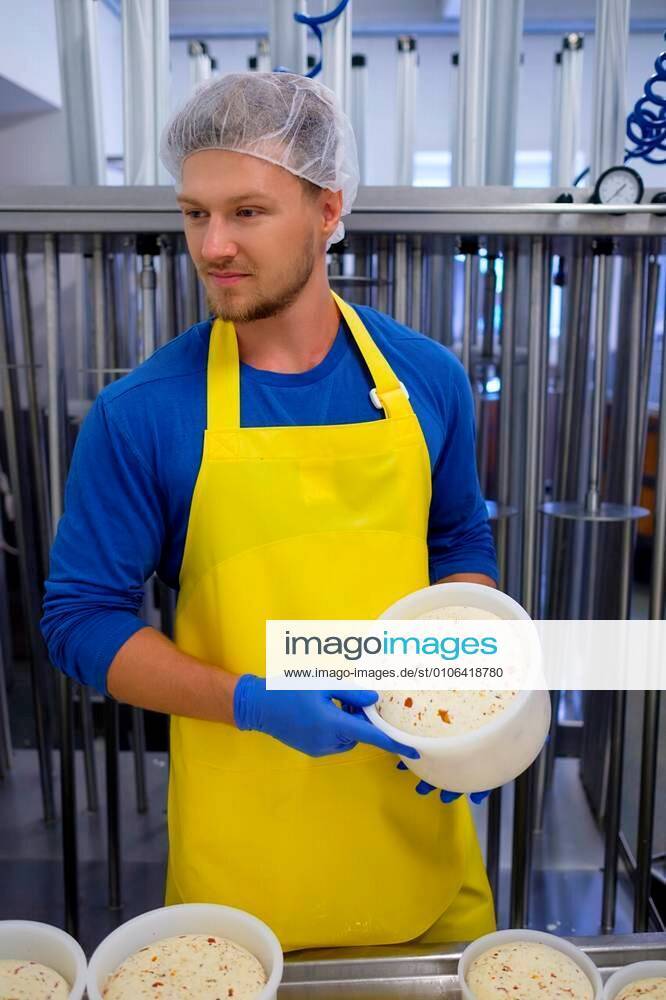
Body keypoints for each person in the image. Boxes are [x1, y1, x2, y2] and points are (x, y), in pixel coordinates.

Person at [41, 72, 499, 952]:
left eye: (247, 212)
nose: (213, 245)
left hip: (419, 838)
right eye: (195, 214)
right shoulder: (144, 412)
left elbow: (457, 541)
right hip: (245, 871)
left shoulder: (426, 380)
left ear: (328, 209)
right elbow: (81, 620)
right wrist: (253, 703)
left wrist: (472, 696)